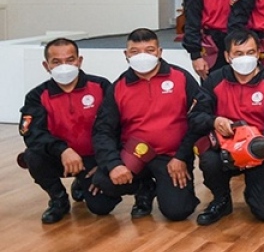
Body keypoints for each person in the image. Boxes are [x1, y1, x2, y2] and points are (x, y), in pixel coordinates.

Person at [92, 28, 200, 221]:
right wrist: (114, 164)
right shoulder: (118, 87)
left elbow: (199, 118)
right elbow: (103, 130)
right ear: (126, 55)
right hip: (134, 153)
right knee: (101, 193)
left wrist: (182, 156)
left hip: (171, 157)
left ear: (159, 52)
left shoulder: (181, 77)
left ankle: (165, 188)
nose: (143, 56)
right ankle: (144, 187)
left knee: (178, 211)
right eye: (135, 52)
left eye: (149, 50)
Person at [190, 29, 264, 225]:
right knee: (209, 160)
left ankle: (256, 191)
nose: (245, 58)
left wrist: (260, 145)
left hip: (260, 150)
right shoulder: (214, 80)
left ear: (258, 53)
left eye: (250, 52)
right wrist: (214, 121)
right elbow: (196, 117)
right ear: (228, 56)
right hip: (225, 148)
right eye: (238, 53)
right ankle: (221, 199)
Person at [19, 38, 119, 223]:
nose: (64, 66)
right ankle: (58, 199)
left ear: (79, 61)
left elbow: (116, 126)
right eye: (56, 62)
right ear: (46, 66)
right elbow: (32, 134)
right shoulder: (36, 96)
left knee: (102, 207)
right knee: (32, 155)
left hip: (95, 158)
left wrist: (106, 162)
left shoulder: (101, 86)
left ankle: (81, 182)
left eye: (70, 60)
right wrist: (63, 150)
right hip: (60, 157)